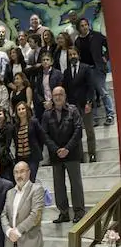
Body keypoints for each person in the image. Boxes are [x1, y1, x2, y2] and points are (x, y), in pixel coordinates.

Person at [42, 86, 86, 223]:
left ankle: (79, 212)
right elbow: (44, 134)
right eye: (55, 95)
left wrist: (67, 148)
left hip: (72, 154)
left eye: (60, 94)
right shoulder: (47, 114)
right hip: (56, 156)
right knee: (59, 186)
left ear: (65, 96)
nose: (58, 97)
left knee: (76, 184)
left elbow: (78, 130)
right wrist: (56, 149)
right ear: (52, 97)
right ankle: (64, 213)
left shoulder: (73, 110)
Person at [75, 18, 114, 125]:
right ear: (78, 27)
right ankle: (95, 118)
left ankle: (110, 114)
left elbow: (109, 44)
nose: (84, 27)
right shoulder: (77, 40)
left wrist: (106, 57)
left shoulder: (96, 35)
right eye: (82, 26)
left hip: (97, 68)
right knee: (90, 95)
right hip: (86, 70)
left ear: (88, 25)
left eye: (86, 25)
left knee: (103, 92)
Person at [62, 47, 98, 164]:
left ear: (78, 55)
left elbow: (91, 87)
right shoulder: (66, 72)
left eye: (74, 54)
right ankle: (80, 156)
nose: (72, 56)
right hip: (72, 107)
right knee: (76, 133)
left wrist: (89, 102)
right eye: (70, 55)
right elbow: (66, 90)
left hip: (85, 104)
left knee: (89, 131)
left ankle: (92, 154)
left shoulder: (86, 68)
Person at [13, 102, 46, 183]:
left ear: (27, 110)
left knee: (31, 180)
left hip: (32, 157)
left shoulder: (34, 122)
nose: (21, 111)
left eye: (23, 109)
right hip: (20, 157)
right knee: (22, 181)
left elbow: (42, 137)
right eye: (19, 110)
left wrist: (38, 149)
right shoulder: (15, 126)